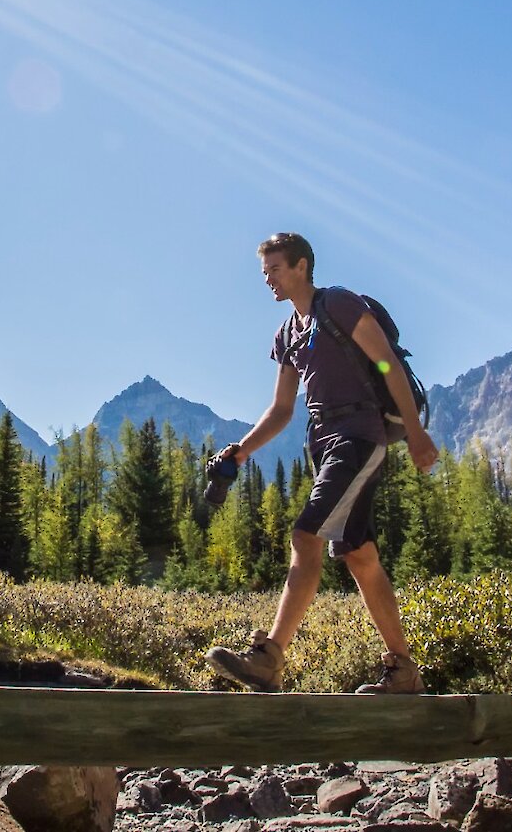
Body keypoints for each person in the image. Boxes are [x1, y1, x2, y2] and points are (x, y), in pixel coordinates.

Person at [203, 232, 442, 694]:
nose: (268, 279)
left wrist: (414, 432)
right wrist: (242, 451)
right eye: (264, 271)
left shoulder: (340, 305)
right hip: (324, 443)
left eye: (275, 269)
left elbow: (388, 362)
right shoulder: (287, 334)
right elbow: (281, 411)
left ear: (301, 266)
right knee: (359, 555)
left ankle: (269, 658)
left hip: (359, 436)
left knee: (305, 534)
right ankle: (404, 673)